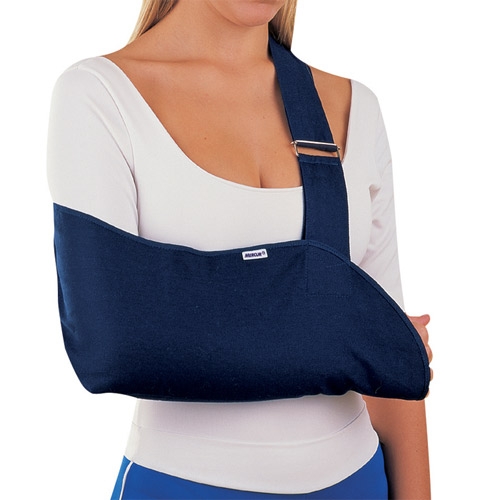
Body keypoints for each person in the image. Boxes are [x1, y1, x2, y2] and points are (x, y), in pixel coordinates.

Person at [47, 0, 432, 498]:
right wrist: (351, 336)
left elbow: (393, 372)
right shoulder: (100, 96)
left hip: (357, 480)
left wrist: (373, 342)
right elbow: (109, 346)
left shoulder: (354, 107)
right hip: (185, 486)